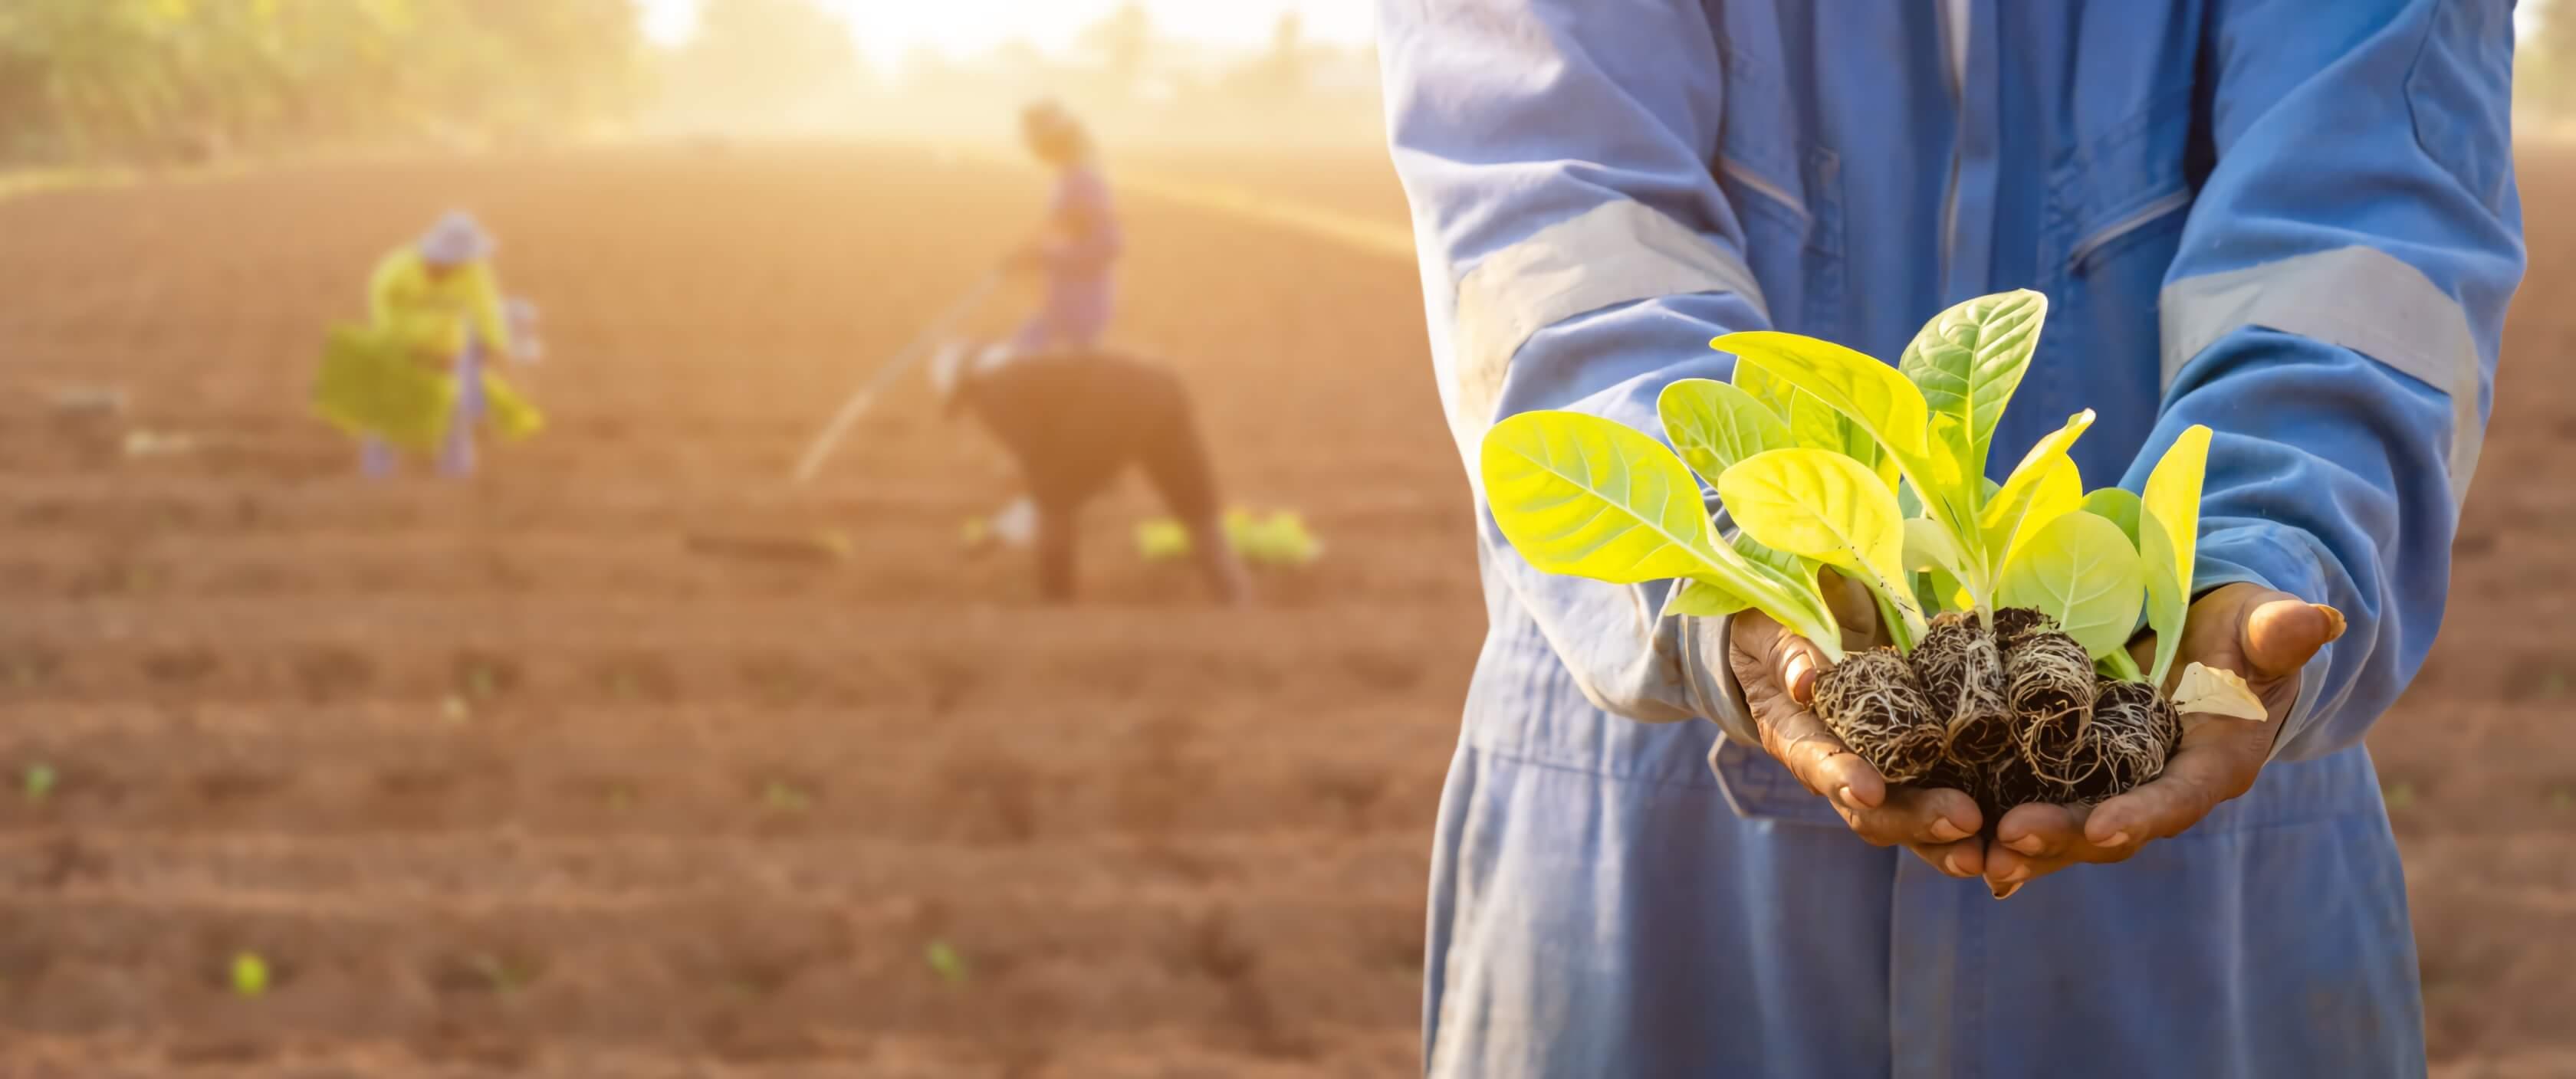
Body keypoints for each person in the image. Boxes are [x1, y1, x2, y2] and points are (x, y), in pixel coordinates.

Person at [1376, 2, 2519, 1075]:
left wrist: (2265, 545)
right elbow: (1549, 209)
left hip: (2202, 802)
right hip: (1651, 831)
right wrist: (1743, 560)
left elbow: (2366, 224)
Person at [929, 339, 1250, 606]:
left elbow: (1042, 465)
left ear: (966, 384)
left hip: (1108, 406)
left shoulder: (993, 391)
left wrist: (1000, 531)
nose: (971, 410)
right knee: (1199, 514)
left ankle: (1058, 608)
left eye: (963, 400)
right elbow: (1064, 457)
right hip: (1164, 387)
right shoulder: (1031, 367)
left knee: (1053, 504)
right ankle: (1239, 606)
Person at [360, 210, 536, 477]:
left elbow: (485, 310)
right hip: (398, 344)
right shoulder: (394, 270)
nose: (461, 264)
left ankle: (456, 474)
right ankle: (377, 472)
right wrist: (413, 350)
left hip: (448, 347)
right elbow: (384, 316)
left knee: (455, 407)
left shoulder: (473, 271)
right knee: (388, 408)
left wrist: (496, 345)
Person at [1005, 100, 1121, 353]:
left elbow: (1108, 245)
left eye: (1033, 140)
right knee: (1020, 358)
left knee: (1035, 370)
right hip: (1061, 307)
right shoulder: (1068, 179)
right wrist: (1030, 256)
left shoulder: (1084, 181)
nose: (1031, 149)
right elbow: (1068, 236)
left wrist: (1044, 257)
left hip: (1081, 311)